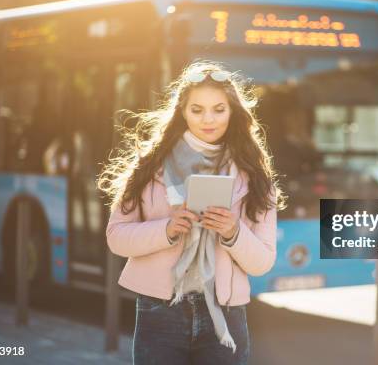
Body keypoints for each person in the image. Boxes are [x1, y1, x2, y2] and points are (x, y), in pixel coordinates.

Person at [97, 61, 285, 365]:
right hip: (159, 311)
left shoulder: (255, 175)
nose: (208, 119)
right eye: (197, 110)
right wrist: (167, 229)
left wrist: (233, 232)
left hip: (226, 314)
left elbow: (262, 262)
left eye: (218, 109)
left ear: (232, 111)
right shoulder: (149, 165)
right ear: (182, 111)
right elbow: (116, 238)